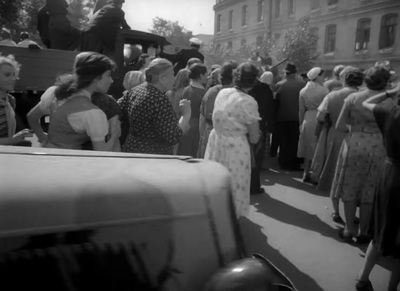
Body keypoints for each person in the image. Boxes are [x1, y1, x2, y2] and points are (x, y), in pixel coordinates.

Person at [331, 66, 390, 244]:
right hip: (380, 146)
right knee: (369, 190)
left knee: (350, 187)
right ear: (386, 82)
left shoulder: (353, 98)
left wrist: (357, 129)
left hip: (354, 144)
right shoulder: (390, 101)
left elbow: (340, 125)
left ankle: (349, 229)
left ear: (366, 80)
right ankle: (364, 232)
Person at [355, 83, 400, 291]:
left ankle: (362, 278)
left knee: (381, 229)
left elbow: (367, 103)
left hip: (390, 173)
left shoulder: (390, 111)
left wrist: (391, 91)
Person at [204, 62, 261, 218]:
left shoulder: (223, 93)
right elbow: (255, 137)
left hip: (216, 141)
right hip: (235, 146)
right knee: (235, 183)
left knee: (215, 181)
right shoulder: (249, 101)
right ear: (254, 80)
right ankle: (230, 219)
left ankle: (214, 213)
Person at [315, 67, 364, 224]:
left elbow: (320, 115)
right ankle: (353, 212)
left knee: (334, 172)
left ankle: (336, 211)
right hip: (359, 137)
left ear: (344, 80)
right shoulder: (364, 97)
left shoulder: (333, 95)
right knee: (356, 174)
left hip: (336, 136)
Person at [46, 52, 121, 151]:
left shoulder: (56, 94)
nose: (111, 80)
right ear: (95, 78)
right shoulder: (93, 113)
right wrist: (115, 134)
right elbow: (101, 152)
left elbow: (33, 116)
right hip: (67, 161)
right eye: (108, 75)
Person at [118, 58, 191, 155]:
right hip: (153, 155)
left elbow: (117, 108)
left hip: (132, 148)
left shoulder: (136, 90)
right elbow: (174, 136)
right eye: (172, 74)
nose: (174, 78)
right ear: (162, 78)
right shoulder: (159, 99)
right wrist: (186, 115)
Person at [198, 61, 238, 159]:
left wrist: (201, 137)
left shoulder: (211, 91)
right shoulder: (237, 94)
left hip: (210, 135)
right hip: (228, 140)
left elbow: (202, 117)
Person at [298, 67, 329, 183]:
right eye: (322, 76)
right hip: (319, 117)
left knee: (307, 146)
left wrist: (300, 123)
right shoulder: (324, 91)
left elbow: (301, 109)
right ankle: (316, 174)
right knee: (318, 147)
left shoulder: (303, 91)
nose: (323, 78)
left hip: (307, 117)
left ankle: (306, 172)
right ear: (317, 76)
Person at [248, 70, 275, 195]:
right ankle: (254, 186)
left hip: (246, 125)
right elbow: (270, 109)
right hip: (260, 124)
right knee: (256, 157)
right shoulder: (266, 90)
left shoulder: (245, 90)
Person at [274, 62, 305, 170]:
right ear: (295, 72)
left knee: (284, 142)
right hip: (297, 117)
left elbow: (275, 102)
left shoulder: (279, 85)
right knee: (295, 141)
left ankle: (283, 162)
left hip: (282, 117)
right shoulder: (302, 84)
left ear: (285, 73)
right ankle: (294, 163)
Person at [0, 55, 33, 146]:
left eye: (14, 74)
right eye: (7, 75)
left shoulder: (10, 100)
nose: (12, 79)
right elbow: (11, 139)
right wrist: (12, 140)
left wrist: (21, 135)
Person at [177, 63, 208, 157]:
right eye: (206, 74)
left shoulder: (185, 89)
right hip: (197, 126)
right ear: (201, 75)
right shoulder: (203, 93)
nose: (207, 76)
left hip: (184, 123)